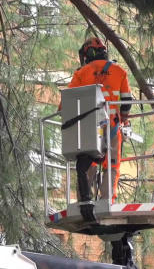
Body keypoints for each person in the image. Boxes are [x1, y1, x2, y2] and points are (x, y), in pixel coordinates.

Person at [59, 37, 132, 204]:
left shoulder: (82, 73)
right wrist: (124, 121)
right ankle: (107, 200)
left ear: (87, 54)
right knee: (112, 165)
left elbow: (65, 105)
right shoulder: (120, 71)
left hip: (89, 130)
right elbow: (127, 103)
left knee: (87, 164)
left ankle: (82, 200)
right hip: (112, 127)